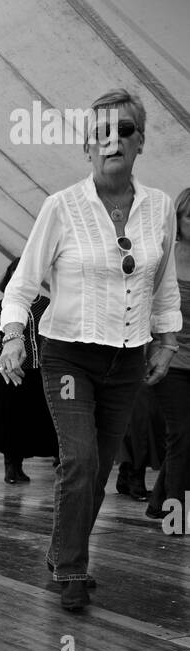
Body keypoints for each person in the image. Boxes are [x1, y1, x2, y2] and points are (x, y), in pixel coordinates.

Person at [0, 89, 181, 611]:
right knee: (79, 459)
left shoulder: (160, 208)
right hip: (69, 353)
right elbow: (22, 285)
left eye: (124, 130)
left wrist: (166, 342)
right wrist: (14, 337)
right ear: (87, 146)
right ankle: (74, 568)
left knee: (99, 467)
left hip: (127, 358)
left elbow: (163, 283)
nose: (113, 140)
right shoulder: (61, 207)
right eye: (102, 132)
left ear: (140, 140)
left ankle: (63, 552)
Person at [0, 259, 57, 484]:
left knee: (40, 418)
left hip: (40, 371)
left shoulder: (48, 305)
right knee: (10, 419)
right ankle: (12, 467)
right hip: (8, 372)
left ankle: (56, 462)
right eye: (15, 274)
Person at [147, 186, 190, 530]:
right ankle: (177, 515)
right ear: (179, 219)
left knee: (184, 436)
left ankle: (158, 502)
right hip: (169, 361)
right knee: (182, 432)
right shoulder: (164, 257)